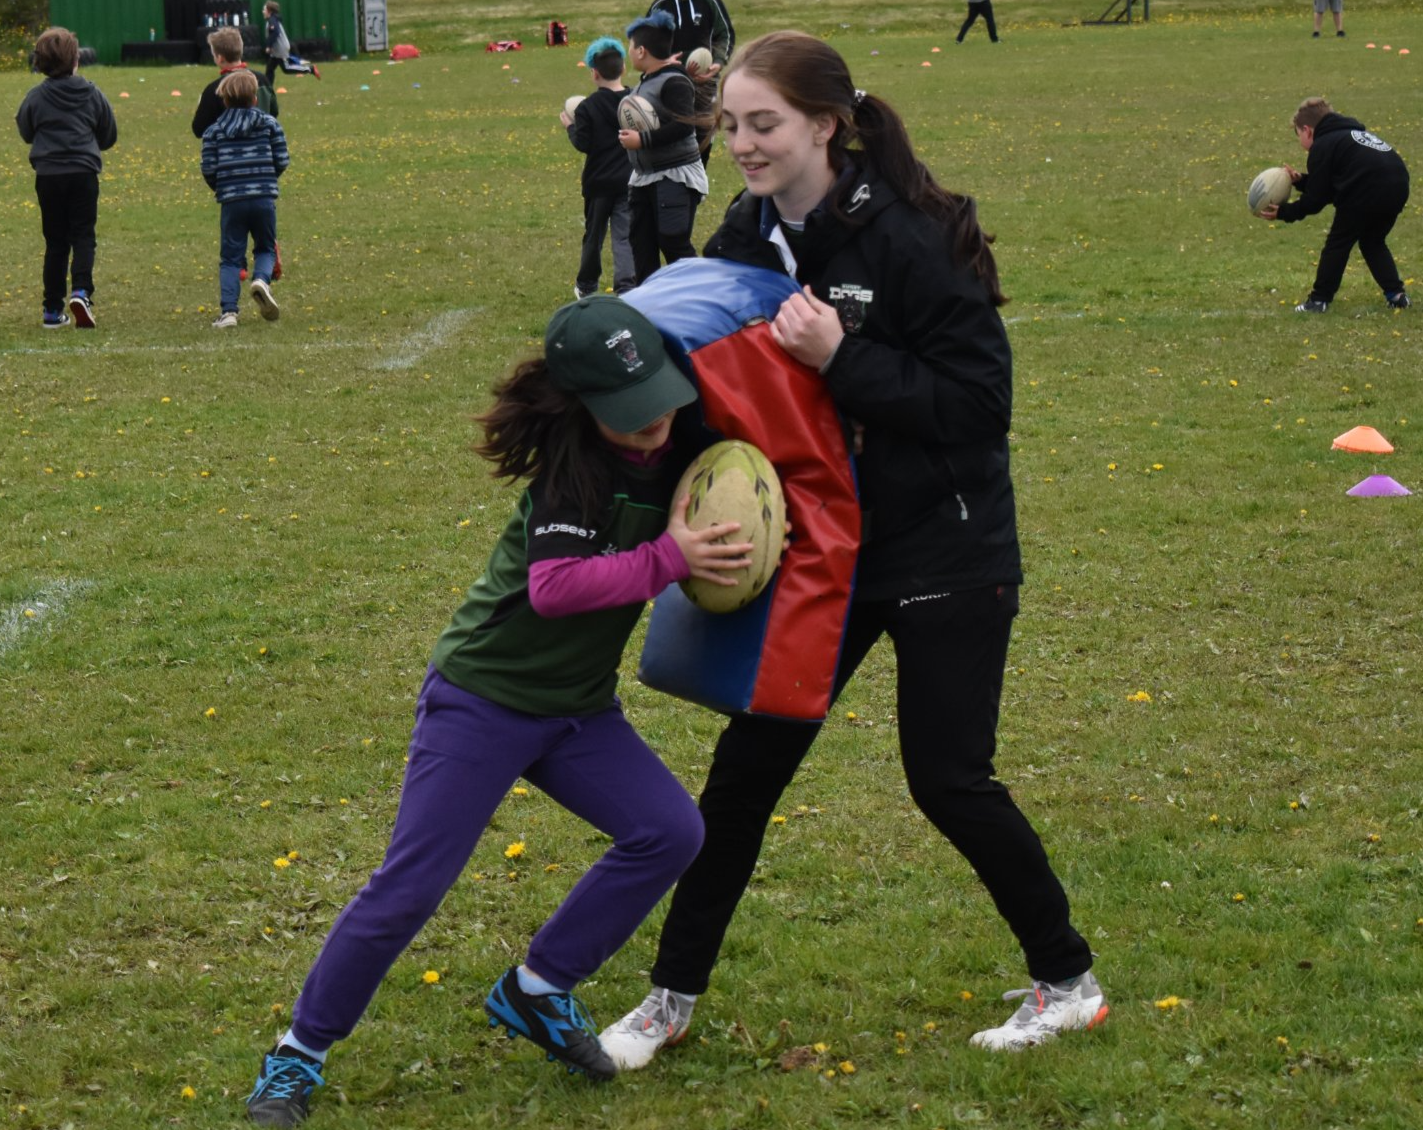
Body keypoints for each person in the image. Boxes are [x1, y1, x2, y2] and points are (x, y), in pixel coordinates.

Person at [601, 30, 1108, 1070]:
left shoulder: (918, 235)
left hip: (943, 545)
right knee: (742, 778)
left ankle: (1067, 980)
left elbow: (979, 404)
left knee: (947, 777)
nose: (740, 143)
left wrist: (844, 356)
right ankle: (668, 998)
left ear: (826, 125)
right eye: (729, 124)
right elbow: (722, 384)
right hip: (819, 551)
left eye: (764, 124)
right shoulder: (742, 229)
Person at [243, 295, 756, 1126]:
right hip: (482, 702)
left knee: (670, 832)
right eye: (627, 416)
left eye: (659, 400)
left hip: (577, 711)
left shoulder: (683, 440)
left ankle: (538, 988)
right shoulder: (573, 470)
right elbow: (555, 592)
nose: (652, 424)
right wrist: (670, 556)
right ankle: (298, 1055)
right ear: (580, 408)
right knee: (410, 887)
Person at [1257, 97, 1410, 313]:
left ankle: (1319, 300)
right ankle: (1397, 295)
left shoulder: (1322, 146)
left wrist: (1284, 212)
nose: (1300, 140)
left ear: (1307, 130)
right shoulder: (1349, 135)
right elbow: (1331, 187)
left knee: (1337, 244)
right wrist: (1300, 180)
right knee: (1372, 241)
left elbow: (1315, 201)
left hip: (1366, 190)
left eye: (1298, 134)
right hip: (1397, 186)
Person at [14, 26, 117, 329]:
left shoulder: (36, 96)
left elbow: (25, 130)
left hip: (48, 175)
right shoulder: (91, 92)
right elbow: (108, 133)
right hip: (83, 172)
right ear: (76, 60)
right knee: (83, 235)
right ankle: (82, 292)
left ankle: (51, 309)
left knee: (55, 241)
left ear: (40, 62)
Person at [621, 11, 707, 285]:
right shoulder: (646, 82)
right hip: (645, 176)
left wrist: (642, 141)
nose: (630, 52)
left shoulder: (674, 82)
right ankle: (650, 304)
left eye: (631, 47)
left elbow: (684, 126)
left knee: (672, 238)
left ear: (642, 50)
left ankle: (699, 293)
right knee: (641, 243)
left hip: (675, 173)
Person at [193, 25, 282, 284]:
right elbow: (274, 112)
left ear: (218, 57)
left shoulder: (215, 89)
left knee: (235, 222)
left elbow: (199, 129)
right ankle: (269, 256)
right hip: (262, 162)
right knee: (263, 214)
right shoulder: (261, 80)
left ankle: (240, 265)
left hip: (231, 168)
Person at [200, 70, 288, 328]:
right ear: (255, 99)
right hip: (263, 198)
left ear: (224, 100)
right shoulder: (270, 124)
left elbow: (208, 168)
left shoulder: (214, 131)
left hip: (232, 201)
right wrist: (268, 179)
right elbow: (282, 159)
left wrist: (222, 186)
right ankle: (261, 280)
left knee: (230, 257)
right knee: (265, 247)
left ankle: (229, 313)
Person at [564, 37, 635, 299]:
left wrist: (570, 127)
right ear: (623, 69)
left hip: (597, 183)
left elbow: (583, 144)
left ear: (594, 73)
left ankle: (587, 285)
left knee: (593, 236)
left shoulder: (587, 107)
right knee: (624, 235)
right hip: (628, 180)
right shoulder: (634, 99)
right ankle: (627, 286)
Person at [645, 0, 735, 162]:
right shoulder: (660, 6)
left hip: (705, 85)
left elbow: (725, 35)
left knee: (703, 139)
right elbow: (645, 45)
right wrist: (663, 62)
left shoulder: (711, 3)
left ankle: (697, 185)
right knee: (673, 137)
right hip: (670, 84)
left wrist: (718, 62)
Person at [262, 2, 321, 82]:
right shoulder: (272, 20)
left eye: (264, 10)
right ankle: (268, 89)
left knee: (286, 68)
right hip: (276, 50)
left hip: (280, 49)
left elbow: (275, 32)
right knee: (270, 69)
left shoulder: (272, 21)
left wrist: (269, 46)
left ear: (269, 11)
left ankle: (311, 69)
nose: (263, 11)